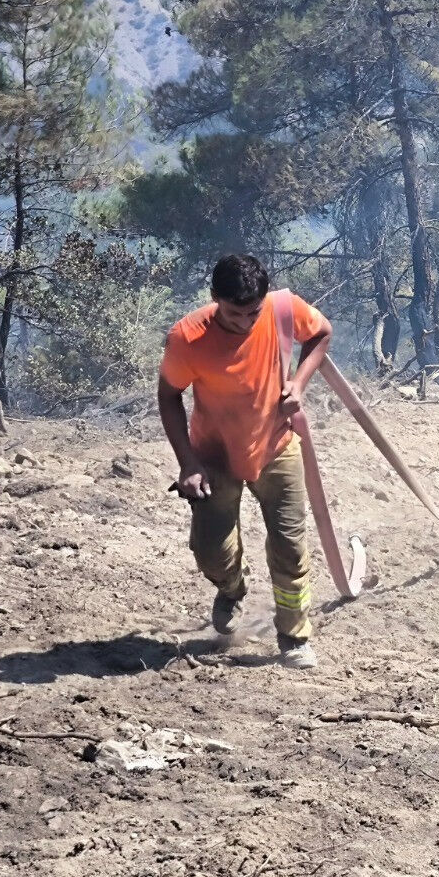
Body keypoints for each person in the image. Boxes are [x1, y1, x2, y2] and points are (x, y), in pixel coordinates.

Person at [157, 255, 332, 670]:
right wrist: (188, 463)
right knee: (211, 554)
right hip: (214, 455)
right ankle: (232, 588)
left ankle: (293, 637)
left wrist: (298, 383)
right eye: (236, 314)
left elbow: (322, 334)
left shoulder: (283, 309)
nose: (247, 322)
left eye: (254, 312)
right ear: (215, 298)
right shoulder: (187, 338)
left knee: (290, 549)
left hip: (276, 446)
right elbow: (168, 396)